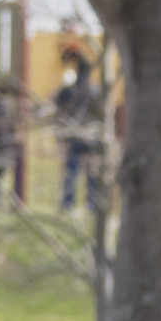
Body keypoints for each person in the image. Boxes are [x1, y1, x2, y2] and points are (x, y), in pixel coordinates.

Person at [54, 54, 102, 212]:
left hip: (80, 136)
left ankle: (71, 204)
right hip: (86, 136)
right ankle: (88, 204)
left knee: (76, 173)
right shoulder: (93, 90)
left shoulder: (75, 90)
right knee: (82, 173)